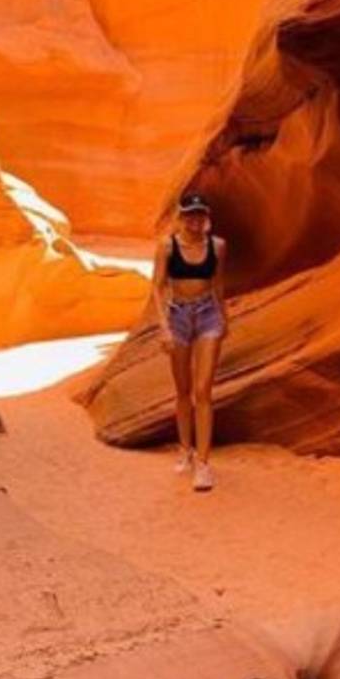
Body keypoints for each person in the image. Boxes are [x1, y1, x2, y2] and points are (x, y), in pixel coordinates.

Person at [151, 191, 229, 491]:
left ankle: (204, 464)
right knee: (183, 390)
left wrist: (224, 318)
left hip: (208, 314)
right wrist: (164, 328)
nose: (195, 221)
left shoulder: (218, 246)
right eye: (189, 215)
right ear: (181, 216)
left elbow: (219, 284)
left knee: (203, 390)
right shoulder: (167, 247)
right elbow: (157, 287)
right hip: (178, 317)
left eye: (200, 215)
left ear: (205, 217)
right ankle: (185, 448)